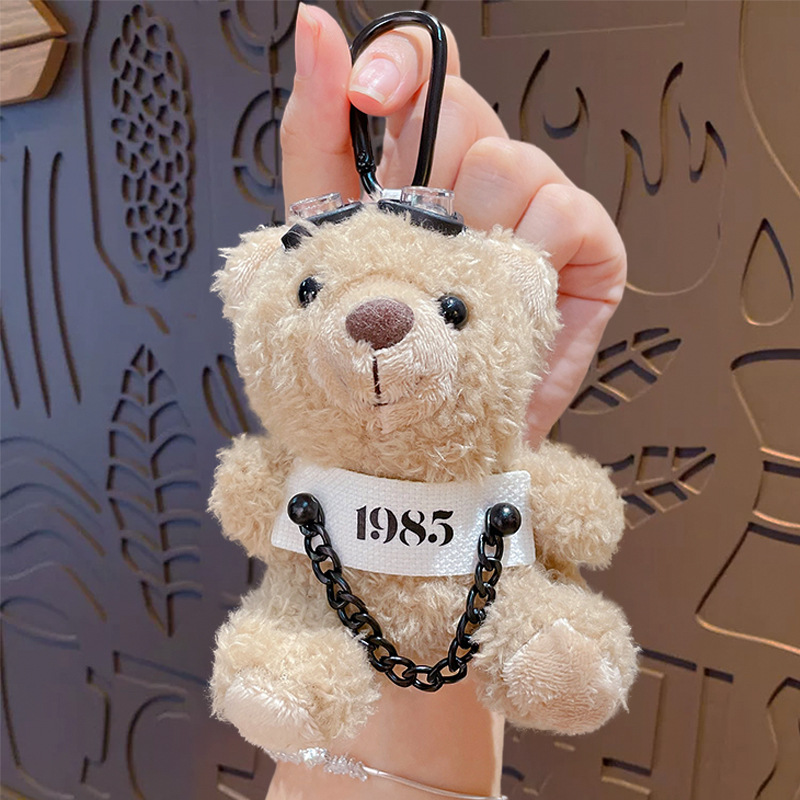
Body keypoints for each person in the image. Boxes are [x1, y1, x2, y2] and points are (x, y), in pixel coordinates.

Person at [267, 5, 627, 798]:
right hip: (328, 667)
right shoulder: (309, 477)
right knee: (279, 650)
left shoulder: (490, 483)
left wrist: (489, 431)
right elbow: (248, 494)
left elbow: (583, 515)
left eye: (456, 310)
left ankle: (548, 651)